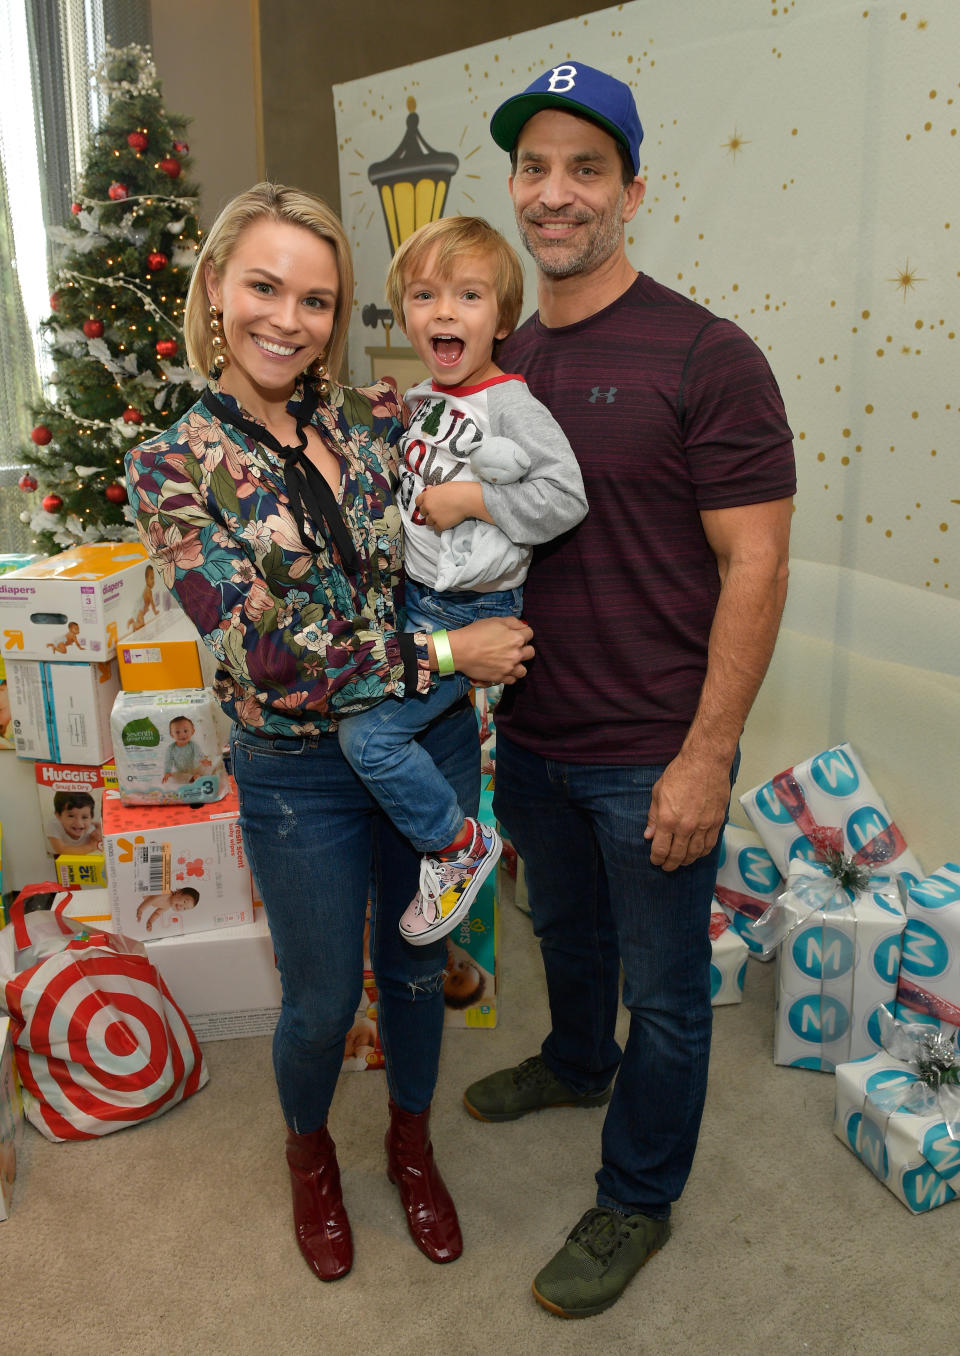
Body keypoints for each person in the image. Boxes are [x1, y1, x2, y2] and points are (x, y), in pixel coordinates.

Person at [125, 183, 533, 1284]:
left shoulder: (375, 417)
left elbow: (497, 460)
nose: (287, 319)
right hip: (295, 771)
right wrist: (451, 653)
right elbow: (267, 653)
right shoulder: (170, 463)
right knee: (319, 1000)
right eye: (264, 286)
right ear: (216, 288)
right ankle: (310, 1159)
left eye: (316, 298)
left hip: (428, 742)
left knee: (416, 968)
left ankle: (409, 1143)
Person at [463, 63, 797, 1319]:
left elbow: (755, 563)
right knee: (569, 933)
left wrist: (706, 755)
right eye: (535, 169)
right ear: (514, 187)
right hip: (534, 730)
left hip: (651, 745)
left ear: (632, 192)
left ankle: (638, 1197)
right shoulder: (502, 360)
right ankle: (570, 1058)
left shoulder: (708, 354)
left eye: (585, 170)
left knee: (667, 991)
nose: (556, 195)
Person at [336, 216, 586, 947]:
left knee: (369, 740)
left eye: (469, 295)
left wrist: (472, 500)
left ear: (501, 318)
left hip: (469, 611)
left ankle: (457, 845)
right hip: (417, 604)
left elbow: (566, 497)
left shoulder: (509, 401)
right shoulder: (417, 402)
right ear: (406, 314)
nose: (445, 311)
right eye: (425, 295)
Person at [45, 790, 102, 858]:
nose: (78, 823)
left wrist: (99, 829)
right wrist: (91, 846)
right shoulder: (54, 825)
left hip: (85, 858)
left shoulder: (91, 830)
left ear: (91, 817)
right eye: (71, 816)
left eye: (84, 817)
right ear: (58, 815)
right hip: (60, 857)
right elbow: (62, 849)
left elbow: (99, 824)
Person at [162, 715, 212, 785]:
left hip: (195, 769)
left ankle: (198, 776)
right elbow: (168, 761)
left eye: (185, 731)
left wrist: (204, 760)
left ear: (192, 731)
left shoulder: (193, 745)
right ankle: (192, 778)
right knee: (173, 776)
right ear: (171, 734)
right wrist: (167, 772)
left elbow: (199, 753)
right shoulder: (171, 748)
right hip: (182, 772)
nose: (182, 735)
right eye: (177, 732)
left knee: (208, 766)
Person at [127, 564, 159, 631]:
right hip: (140, 610)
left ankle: (133, 621)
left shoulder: (147, 589)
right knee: (142, 624)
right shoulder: (148, 590)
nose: (153, 581)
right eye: (151, 578)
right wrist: (155, 611)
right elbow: (152, 602)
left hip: (140, 610)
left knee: (142, 625)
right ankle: (134, 624)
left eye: (154, 578)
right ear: (146, 579)